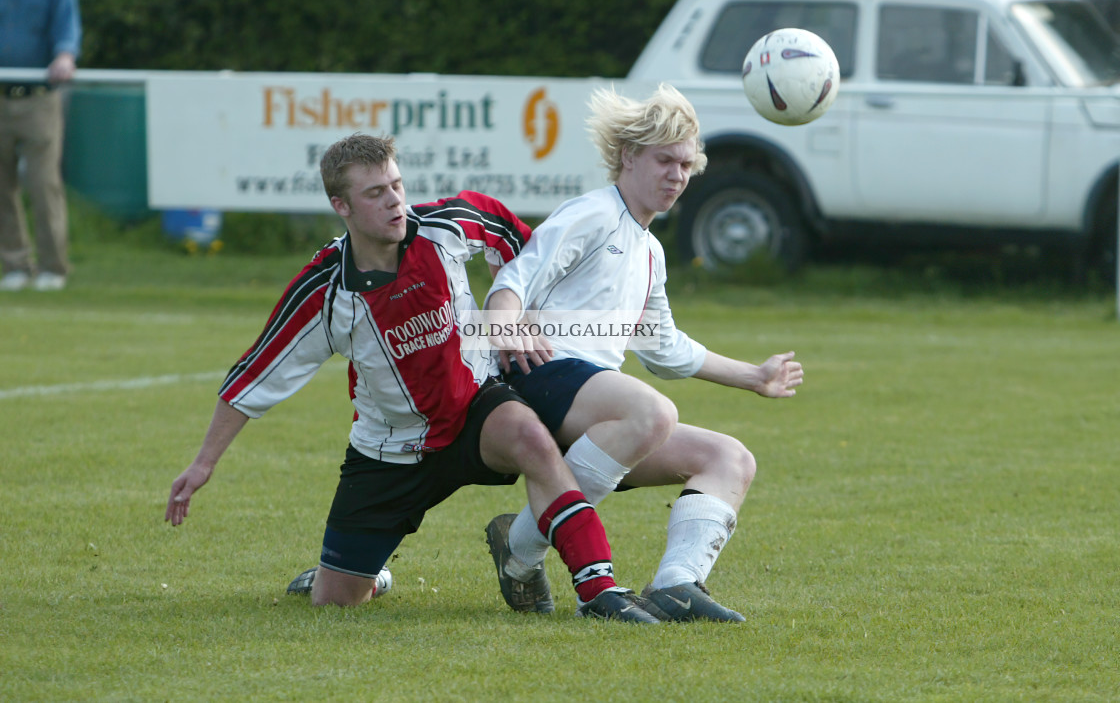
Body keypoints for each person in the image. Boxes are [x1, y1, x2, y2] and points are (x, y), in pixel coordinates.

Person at [165, 133, 659, 623]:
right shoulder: (324, 292)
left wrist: (521, 310)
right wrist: (203, 463)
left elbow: (522, 247)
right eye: (375, 194)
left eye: (396, 186)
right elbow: (257, 373)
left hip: (475, 410)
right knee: (335, 603)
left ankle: (599, 591)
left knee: (531, 436)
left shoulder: (444, 226)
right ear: (341, 206)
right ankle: (364, 575)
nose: (394, 202)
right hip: (388, 451)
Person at [482, 84, 804, 622]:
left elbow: (665, 349)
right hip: (540, 376)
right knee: (650, 412)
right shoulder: (591, 213)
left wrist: (755, 376)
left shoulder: (651, 249)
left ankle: (677, 586)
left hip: (602, 408)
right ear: (629, 156)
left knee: (730, 459)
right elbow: (514, 279)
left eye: (685, 164)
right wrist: (507, 324)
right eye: (664, 160)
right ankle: (523, 547)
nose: (677, 175)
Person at [0, 0, 81, 291]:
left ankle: (53, 268)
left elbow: (67, 23)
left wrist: (65, 54)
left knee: (43, 183)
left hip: (38, 97)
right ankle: (15, 265)